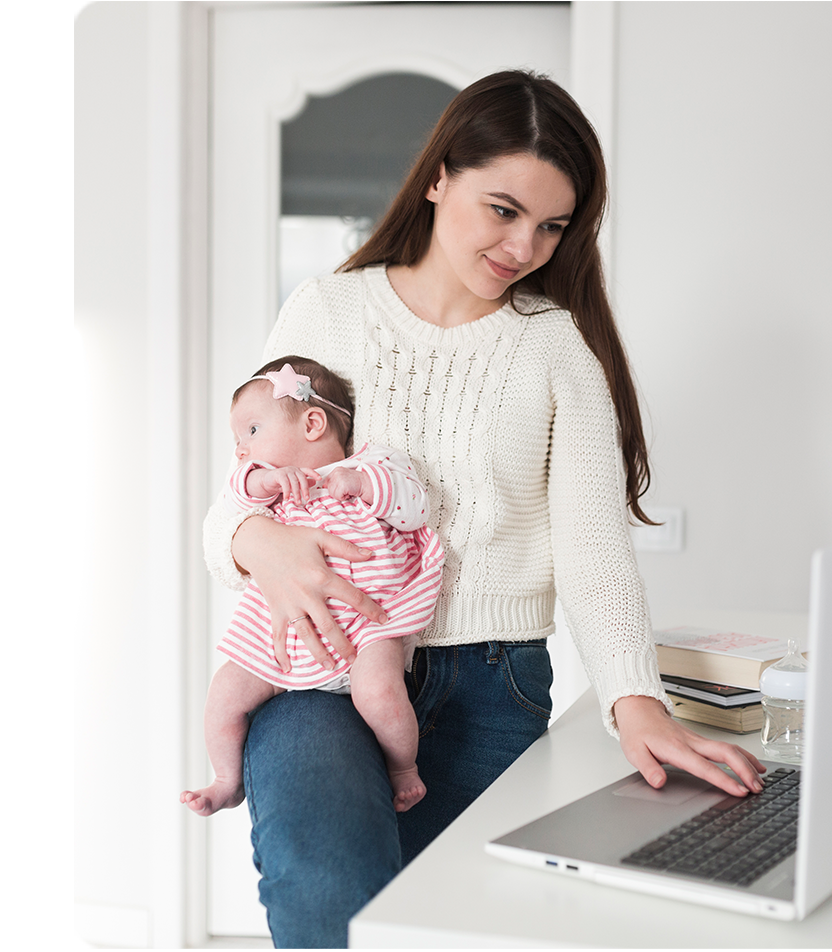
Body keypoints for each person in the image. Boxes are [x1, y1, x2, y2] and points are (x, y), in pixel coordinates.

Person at [203, 70, 765, 948]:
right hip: (319, 668)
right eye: (502, 209)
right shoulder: (329, 310)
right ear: (438, 177)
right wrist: (252, 542)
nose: (523, 245)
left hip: (490, 685)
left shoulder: (555, 350)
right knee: (327, 893)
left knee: (447, 929)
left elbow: (591, 550)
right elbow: (238, 490)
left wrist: (635, 699)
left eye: (551, 225)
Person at [184, 356, 444, 817]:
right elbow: (234, 497)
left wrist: (361, 483)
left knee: (382, 694)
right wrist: (266, 477)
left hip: (367, 630)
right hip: (286, 633)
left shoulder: (376, 462)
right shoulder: (270, 488)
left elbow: (415, 509)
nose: (241, 449)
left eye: (252, 432)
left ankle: (403, 768)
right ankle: (226, 780)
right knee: (224, 693)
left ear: (313, 423)